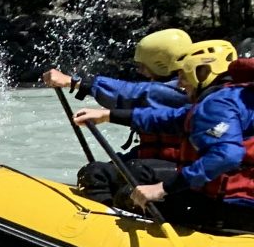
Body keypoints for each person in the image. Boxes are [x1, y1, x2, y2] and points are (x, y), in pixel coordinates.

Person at [72, 40, 254, 233]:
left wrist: (163, 189)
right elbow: (173, 118)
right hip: (236, 203)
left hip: (232, 208)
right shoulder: (237, 96)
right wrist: (109, 115)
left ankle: (103, 239)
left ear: (203, 72)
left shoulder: (219, 102)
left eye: (184, 76)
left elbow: (227, 155)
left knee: (129, 195)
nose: (181, 84)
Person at [40, 30, 191, 167]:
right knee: (96, 171)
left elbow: (136, 94)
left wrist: (74, 82)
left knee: (100, 175)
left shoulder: (181, 91)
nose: (139, 70)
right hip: (156, 158)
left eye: (143, 66)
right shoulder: (178, 85)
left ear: (161, 64)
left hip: (173, 166)